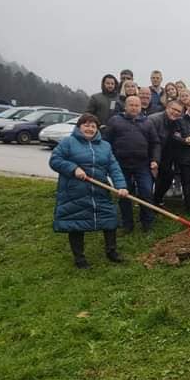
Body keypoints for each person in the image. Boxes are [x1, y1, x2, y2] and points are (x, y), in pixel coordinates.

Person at [50, 113, 129, 268]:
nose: (89, 129)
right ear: (79, 126)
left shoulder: (105, 146)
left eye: (93, 126)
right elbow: (55, 160)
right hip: (75, 191)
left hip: (100, 189)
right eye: (86, 125)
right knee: (76, 222)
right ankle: (79, 258)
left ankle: (111, 251)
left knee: (109, 219)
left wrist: (121, 186)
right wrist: (74, 169)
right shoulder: (68, 142)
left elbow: (113, 167)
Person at [103, 95, 160, 232]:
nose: (134, 108)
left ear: (141, 107)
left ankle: (147, 223)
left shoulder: (147, 123)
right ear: (125, 106)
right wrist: (108, 161)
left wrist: (155, 159)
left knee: (146, 192)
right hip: (121, 165)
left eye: (137, 105)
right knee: (124, 194)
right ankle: (127, 224)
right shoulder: (115, 121)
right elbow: (105, 142)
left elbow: (155, 143)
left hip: (142, 165)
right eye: (131, 105)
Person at [149, 99, 184, 206]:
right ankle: (146, 204)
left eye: (179, 111)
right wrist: (153, 159)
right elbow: (150, 141)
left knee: (167, 177)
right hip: (151, 154)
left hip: (167, 156)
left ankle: (157, 200)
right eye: (174, 109)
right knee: (149, 181)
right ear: (167, 108)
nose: (176, 113)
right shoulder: (153, 119)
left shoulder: (178, 122)